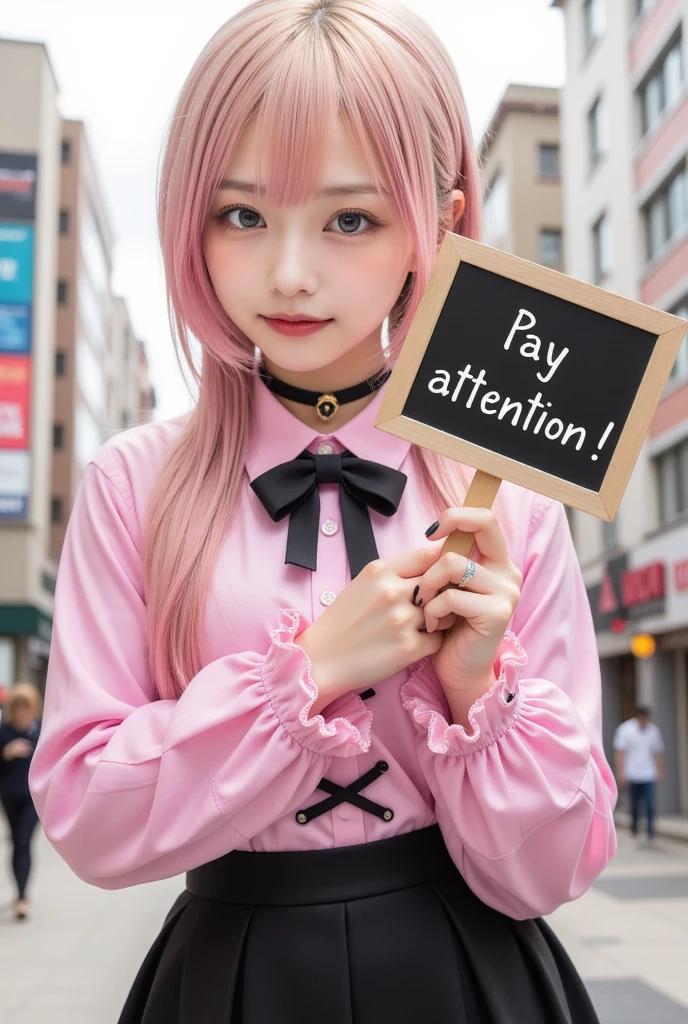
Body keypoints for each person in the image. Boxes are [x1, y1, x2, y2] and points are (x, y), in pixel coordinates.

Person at [29, 2, 618, 1020]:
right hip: (234, 977)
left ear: (438, 219)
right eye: (243, 214)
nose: (289, 272)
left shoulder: (503, 491)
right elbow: (86, 819)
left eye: (350, 218)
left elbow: (551, 872)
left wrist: (480, 695)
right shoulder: (137, 481)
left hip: (470, 975)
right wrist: (307, 676)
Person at [0, 682, 42, 920]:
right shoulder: (4, 732)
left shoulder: (41, 731)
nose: (22, 713)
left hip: (32, 799)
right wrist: (6, 753)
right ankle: (19, 890)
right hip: (9, 796)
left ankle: (22, 898)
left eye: (26, 707)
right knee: (16, 842)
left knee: (24, 842)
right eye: (18, 708)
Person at [613, 705, 666, 846]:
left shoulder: (653, 731)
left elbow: (657, 753)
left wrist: (661, 771)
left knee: (650, 804)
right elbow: (620, 753)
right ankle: (634, 833)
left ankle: (650, 834)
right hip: (632, 773)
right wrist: (621, 772)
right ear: (637, 717)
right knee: (635, 806)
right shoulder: (625, 730)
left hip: (648, 773)